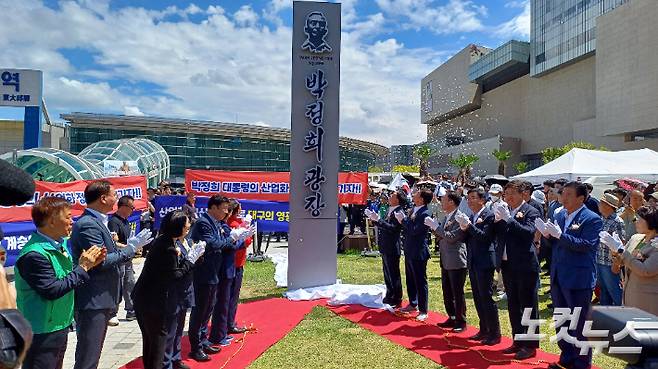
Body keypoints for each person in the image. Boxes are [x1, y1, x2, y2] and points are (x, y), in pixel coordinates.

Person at [70, 180, 153, 369]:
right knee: (88, 355)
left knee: (93, 352)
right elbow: (100, 261)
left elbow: (108, 253)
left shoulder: (98, 221)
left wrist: (125, 247)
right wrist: (130, 249)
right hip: (93, 298)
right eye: (114, 195)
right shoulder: (88, 224)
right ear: (103, 198)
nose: (116, 199)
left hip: (102, 297)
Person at [15, 197, 106, 369]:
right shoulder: (34, 255)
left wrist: (89, 264)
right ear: (51, 221)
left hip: (59, 324)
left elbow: (66, 276)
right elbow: (52, 289)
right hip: (41, 330)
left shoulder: (60, 245)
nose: (72, 222)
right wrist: (83, 268)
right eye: (68, 217)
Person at [536, 181, 602, 369]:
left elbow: (586, 245)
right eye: (562, 193)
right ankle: (566, 357)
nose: (562, 198)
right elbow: (555, 247)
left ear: (581, 198)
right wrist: (547, 236)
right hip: (558, 274)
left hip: (578, 277)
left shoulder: (592, 218)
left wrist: (560, 236)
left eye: (568, 195)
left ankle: (581, 363)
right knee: (562, 320)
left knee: (580, 323)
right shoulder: (561, 216)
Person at [132, 210, 206, 369]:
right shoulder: (167, 247)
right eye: (186, 227)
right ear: (177, 227)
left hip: (148, 298)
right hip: (152, 302)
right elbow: (176, 275)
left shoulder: (167, 241)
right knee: (158, 342)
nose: (188, 229)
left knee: (153, 342)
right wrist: (190, 260)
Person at [187, 195, 246, 362]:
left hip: (214, 271)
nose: (226, 212)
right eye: (224, 209)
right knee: (200, 310)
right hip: (204, 272)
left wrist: (230, 240)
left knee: (208, 309)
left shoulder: (216, 223)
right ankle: (196, 346)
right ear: (213, 207)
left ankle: (203, 340)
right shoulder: (204, 222)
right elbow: (214, 244)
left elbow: (223, 243)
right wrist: (231, 238)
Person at [493, 180, 540, 360]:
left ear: (523, 194)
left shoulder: (531, 210)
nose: (509, 197)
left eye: (513, 193)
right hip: (507, 264)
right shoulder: (507, 210)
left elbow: (528, 233)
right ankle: (518, 340)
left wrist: (509, 220)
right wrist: (498, 221)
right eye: (507, 193)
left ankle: (530, 345)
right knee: (513, 305)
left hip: (525, 265)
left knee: (528, 305)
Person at [457, 188, 500, 345]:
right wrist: (463, 228)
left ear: (482, 200)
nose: (469, 201)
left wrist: (469, 226)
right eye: (468, 198)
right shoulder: (471, 216)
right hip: (473, 260)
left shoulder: (488, 215)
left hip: (485, 261)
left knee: (486, 297)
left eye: (473, 198)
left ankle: (494, 333)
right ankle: (484, 329)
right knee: (477, 297)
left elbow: (485, 238)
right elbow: (465, 238)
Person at [208, 198, 252, 347]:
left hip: (234, 264)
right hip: (231, 265)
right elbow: (240, 244)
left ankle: (225, 327)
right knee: (226, 300)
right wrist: (244, 236)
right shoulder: (230, 224)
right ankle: (225, 328)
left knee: (228, 299)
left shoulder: (228, 224)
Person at [427, 192, 467, 331]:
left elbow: (451, 237)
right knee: (447, 291)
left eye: (443, 200)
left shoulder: (459, 217)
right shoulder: (447, 216)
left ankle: (461, 321)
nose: (440, 202)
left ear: (451, 202)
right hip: (446, 258)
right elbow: (442, 235)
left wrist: (436, 228)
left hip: (456, 259)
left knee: (457, 292)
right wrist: (435, 229)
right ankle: (452, 317)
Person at [608, 206, 658, 316]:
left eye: (639, 219)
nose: (636, 222)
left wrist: (622, 251)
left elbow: (646, 270)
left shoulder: (656, 245)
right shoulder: (636, 238)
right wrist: (616, 254)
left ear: (651, 222)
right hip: (629, 294)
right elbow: (624, 261)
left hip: (648, 300)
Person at [396, 190, 432, 320]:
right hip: (409, 249)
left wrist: (404, 221)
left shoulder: (425, 213)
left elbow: (415, 230)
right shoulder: (414, 210)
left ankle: (423, 310)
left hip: (418, 251)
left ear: (421, 199)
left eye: (416, 195)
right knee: (410, 278)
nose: (413, 195)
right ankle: (413, 303)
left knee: (420, 280)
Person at [366, 190, 407, 307]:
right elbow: (384, 224)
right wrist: (375, 220)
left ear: (397, 200)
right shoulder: (391, 210)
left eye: (392, 196)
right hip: (385, 245)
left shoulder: (399, 212)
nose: (389, 197)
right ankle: (390, 293)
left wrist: (378, 220)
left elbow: (393, 228)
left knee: (394, 273)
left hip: (392, 246)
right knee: (387, 272)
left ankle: (397, 297)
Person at [107, 195, 137, 325]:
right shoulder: (114, 221)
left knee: (130, 283)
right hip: (119, 258)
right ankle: (112, 313)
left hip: (128, 258)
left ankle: (131, 310)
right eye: (131, 207)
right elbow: (113, 242)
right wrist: (129, 248)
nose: (133, 210)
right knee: (118, 285)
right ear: (124, 207)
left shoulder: (126, 221)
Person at [224, 200, 251, 337]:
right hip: (236, 263)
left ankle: (227, 323)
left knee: (227, 297)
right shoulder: (234, 224)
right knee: (232, 297)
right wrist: (247, 231)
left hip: (234, 263)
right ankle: (229, 323)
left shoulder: (231, 223)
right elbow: (245, 242)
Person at [596, 193, 626, 306]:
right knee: (604, 291)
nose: (599, 205)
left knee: (615, 291)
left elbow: (621, 244)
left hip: (609, 263)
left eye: (601, 203)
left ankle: (623, 315)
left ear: (608, 206)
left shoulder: (617, 221)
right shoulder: (602, 219)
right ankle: (607, 316)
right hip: (600, 260)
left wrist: (616, 263)